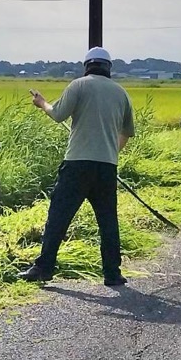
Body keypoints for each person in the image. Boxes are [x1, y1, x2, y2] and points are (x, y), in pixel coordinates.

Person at [19, 46, 136, 286]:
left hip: (77, 164)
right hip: (106, 167)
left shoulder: (79, 85)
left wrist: (42, 103)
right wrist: (111, 151)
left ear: (87, 66)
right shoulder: (121, 93)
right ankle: (112, 273)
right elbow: (126, 133)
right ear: (108, 68)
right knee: (107, 221)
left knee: (59, 217)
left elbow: (58, 114)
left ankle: (44, 268)